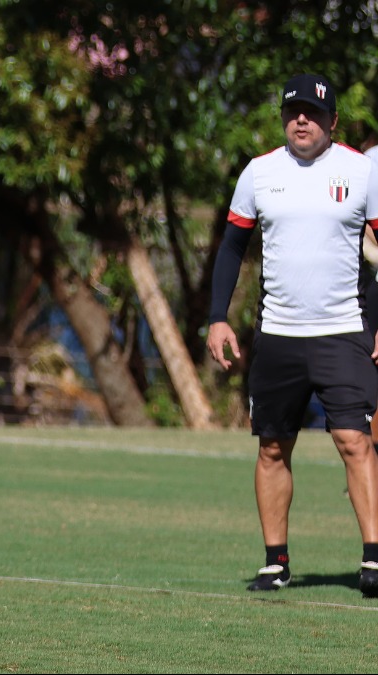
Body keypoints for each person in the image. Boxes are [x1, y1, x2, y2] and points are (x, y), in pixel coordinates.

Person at [206, 73, 378, 597]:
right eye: (292, 111)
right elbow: (232, 248)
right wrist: (217, 317)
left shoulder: (361, 171)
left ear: (332, 121)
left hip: (342, 330)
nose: (301, 120)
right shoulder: (259, 174)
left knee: (355, 440)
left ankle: (373, 559)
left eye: (312, 112)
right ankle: (276, 562)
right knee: (272, 448)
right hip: (277, 335)